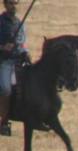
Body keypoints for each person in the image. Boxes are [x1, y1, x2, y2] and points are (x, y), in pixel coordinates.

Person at [0, 0, 27, 136]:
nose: (14, 6)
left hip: (19, 61)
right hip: (5, 62)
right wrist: (3, 47)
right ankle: (3, 122)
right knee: (5, 89)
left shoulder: (20, 23)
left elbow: (22, 43)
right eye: (11, 3)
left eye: (16, 3)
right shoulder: (0, 22)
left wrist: (25, 53)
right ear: (5, 4)